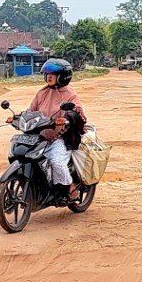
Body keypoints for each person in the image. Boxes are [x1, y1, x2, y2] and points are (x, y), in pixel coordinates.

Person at [27, 58, 85, 200]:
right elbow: (31, 110)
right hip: (41, 137)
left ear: (62, 76)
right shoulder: (42, 93)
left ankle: (70, 187)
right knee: (27, 156)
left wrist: (67, 118)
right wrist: (18, 117)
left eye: (53, 74)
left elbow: (78, 113)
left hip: (61, 138)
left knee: (56, 162)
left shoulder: (70, 94)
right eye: (47, 74)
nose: (49, 77)